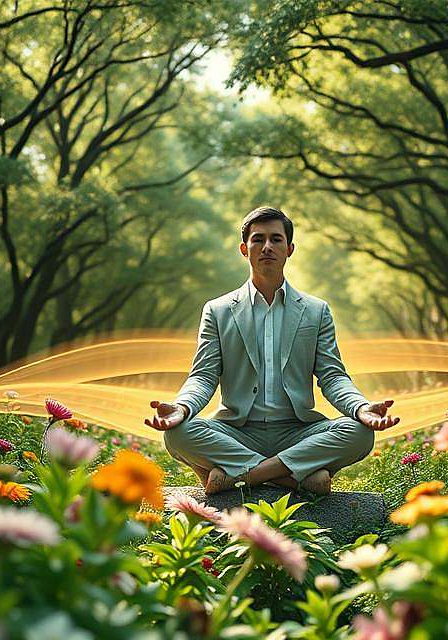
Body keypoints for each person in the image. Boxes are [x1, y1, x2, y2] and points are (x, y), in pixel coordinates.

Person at [144, 206, 399, 495]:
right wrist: (181, 408)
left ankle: (241, 476)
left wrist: (361, 408)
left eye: (276, 239)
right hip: (237, 433)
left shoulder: (316, 311)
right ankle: (295, 479)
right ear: (244, 249)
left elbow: (332, 376)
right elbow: (203, 376)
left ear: (289, 249)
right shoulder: (217, 311)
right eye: (258, 239)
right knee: (177, 433)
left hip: (298, 432)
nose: (267, 246)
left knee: (360, 433)